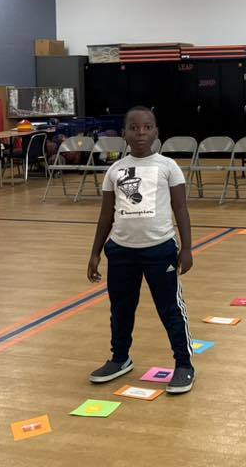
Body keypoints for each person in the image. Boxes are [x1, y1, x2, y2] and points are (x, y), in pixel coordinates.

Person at [86, 106, 196, 394]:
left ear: (156, 131)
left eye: (147, 127)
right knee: (121, 310)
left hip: (159, 250)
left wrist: (187, 248)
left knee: (170, 309)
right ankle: (120, 358)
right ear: (124, 134)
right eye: (134, 128)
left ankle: (184, 364)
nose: (141, 133)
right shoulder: (115, 170)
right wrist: (95, 252)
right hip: (121, 252)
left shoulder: (168, 166)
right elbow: (106, 215)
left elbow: (181, 209)